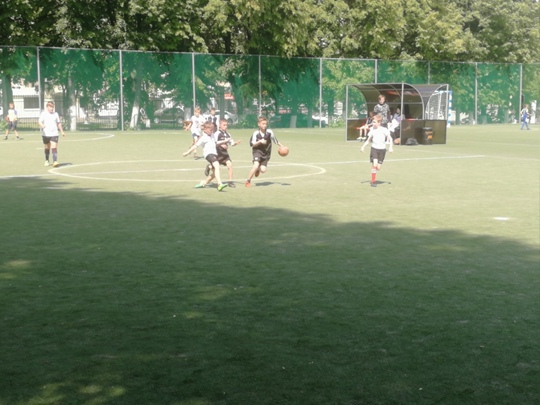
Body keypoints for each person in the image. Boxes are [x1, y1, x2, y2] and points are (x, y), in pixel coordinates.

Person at [183, 122, 228, 191]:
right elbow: (195, 145)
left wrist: (224, 141)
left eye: (212, 130)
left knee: (215, 173)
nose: (212, 131)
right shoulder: (203, 137)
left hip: (214, 154)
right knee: (217, 165)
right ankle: (220, 184)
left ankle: (203, 183)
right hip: (208, 154)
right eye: (210, 130)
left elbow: (216, 143)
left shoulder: (212, 135)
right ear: (205, 129)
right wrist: (187, 152)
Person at [245, 116, 285, 188]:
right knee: (256, 165)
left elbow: (275, 141)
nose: (264, 125)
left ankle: (258, 169)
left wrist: (282, 146)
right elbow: (252, 144)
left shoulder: (269, 132)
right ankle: (248, 181)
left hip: (266, 153)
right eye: (263, 124)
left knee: (263, 170)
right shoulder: (256, 133)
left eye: (265, 124)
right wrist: (260, 141)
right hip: (257, 151)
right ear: (259, 124)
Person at [204, 118, 241, 188]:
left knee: (230, 165)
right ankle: (209, 167)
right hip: (217, 154)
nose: (225, 126)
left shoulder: (228, 134)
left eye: (226, 125)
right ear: (220, 125)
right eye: (224, 125)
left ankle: (230, 182)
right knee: (215, 167)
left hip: (225, 154)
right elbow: (214, 143)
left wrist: (236, 143)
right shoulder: (217, 134)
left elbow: (232, 143)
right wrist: (221, 145)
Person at [360, 114, 393, 187]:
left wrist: (391, 147)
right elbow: (368, 140)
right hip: (374, 148)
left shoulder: (384, 130)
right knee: (374, 164)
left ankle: (374, 170)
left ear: (379, 122)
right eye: (373, 122)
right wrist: (363, 147)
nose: (373, 123)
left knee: (378, 167)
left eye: (374, 122)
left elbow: (390, 138)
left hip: (382, 150)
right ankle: (373, 181)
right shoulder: (372, 130)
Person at [39, 101, 66, 167]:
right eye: (50, 107)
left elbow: (58, 123)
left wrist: (62, 131)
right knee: (47, 147)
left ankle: (55, 161)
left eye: (52, 107)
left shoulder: (56, 114)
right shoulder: (43, 114)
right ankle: (47, 160)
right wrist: (42, 125)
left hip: (54, 133)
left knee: (54, 146)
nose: (52, 108)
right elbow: (39, 121)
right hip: (46, 134)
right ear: (47, 107)